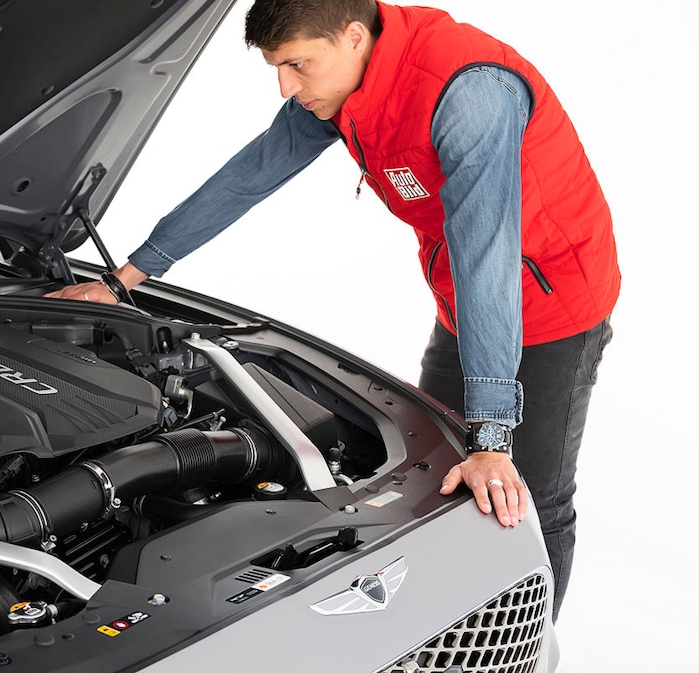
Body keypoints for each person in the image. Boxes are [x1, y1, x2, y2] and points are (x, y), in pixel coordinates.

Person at [45, 0, 618, 621]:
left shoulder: (469, 93)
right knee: (439, 475)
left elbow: (488, 257)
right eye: (276, 68)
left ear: (351, 37)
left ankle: (525, 649)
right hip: (463, 298)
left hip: (552, 299)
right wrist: (126, 278)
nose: (287, 87)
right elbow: (251, 174)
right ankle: (435, 635)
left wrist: (494, 433)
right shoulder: (345, 79)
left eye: (297, 65)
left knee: (526, 493)